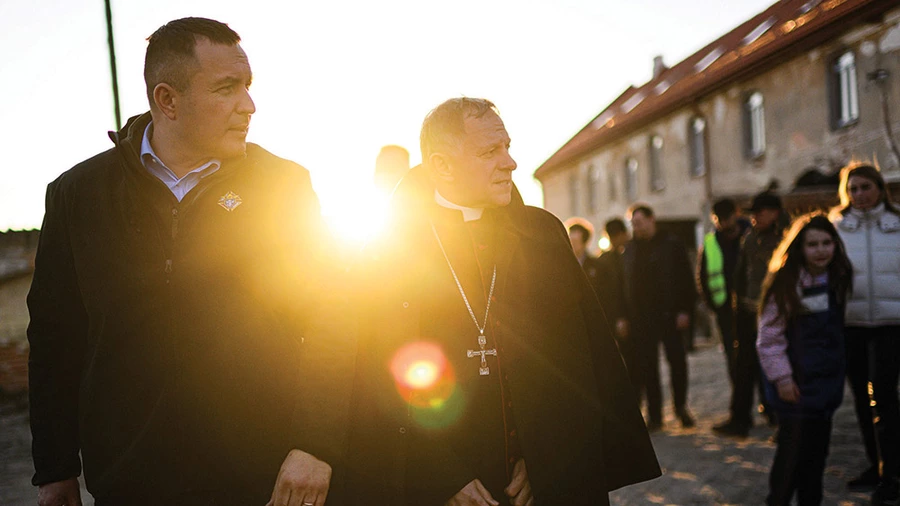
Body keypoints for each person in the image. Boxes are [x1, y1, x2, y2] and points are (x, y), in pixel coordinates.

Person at [27, 18, 351, 506]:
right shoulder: (78, 195)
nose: (249, 105)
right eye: (227, 88)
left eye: (248, 86)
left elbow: (333, 318)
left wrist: (316, 444)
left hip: (262, 480)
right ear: (168, 100)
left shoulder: (283, 186)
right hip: (130, 483)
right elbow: (55, 338)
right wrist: (54, 468)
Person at [345, 98, 659, 505]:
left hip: (539, 480)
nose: (510, 163)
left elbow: (576, 363)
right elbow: (377, 371)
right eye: (490, 151)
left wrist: (547, 460)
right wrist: (440, 475)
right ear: (442, 166)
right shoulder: (389, 248)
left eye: (508, 147)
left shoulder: (542, 235)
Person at [756, 213, 853, 506]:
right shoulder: (785, 283)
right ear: (799, 247)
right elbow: (769, 337)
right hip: (794, 386)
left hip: (825, 386)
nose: (821, 250)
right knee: (790, 459)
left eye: (827, 242)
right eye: (813, 244)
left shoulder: (839, 279)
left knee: (816, 459)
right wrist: (783, 378)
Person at [830, 162, 900, 502]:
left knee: (884, 398)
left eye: (865, 187)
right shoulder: (836, 228)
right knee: (860, 399)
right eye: (853, 189)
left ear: (879, 188)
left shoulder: (898, 224)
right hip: (852, 325)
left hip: (891, 325)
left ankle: (893, 474)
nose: (859, 194)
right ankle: (876, 465)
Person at [715, 191, 784, 438]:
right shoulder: (750, 237)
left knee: (777, 364)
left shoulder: (786, 237)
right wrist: (737, 304)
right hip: (747, 310)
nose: (754, 218)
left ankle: (781, 417)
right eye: (752, 213)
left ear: (775, 212)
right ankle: (740, 419)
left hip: (777, 311)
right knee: (743, 366)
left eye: (760, 213)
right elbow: (741, 274)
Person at [622, 204, 697, 430]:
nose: (637, 227)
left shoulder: (671, 245)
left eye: (640, 222)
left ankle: (681, 407)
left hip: (670, 315)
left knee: (677, 363)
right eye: (634, 224)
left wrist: (685, 310)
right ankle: (655, 416)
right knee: (648, 368)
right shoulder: (630, 249)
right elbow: (624, 285)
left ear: (651, 220)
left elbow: (686, 279)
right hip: (641, 319)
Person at [697, 199, 750, 385]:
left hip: (751, 306)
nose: (722, 223)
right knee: (732, 356)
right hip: (725, 308)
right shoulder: (711, 243)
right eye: (718, 219)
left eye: (726, 218)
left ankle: (766, 403)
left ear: (735, 214)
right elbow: (703, 277)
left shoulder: (751, 235)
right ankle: (739, 403)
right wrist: (713, 305)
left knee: (756, 354)